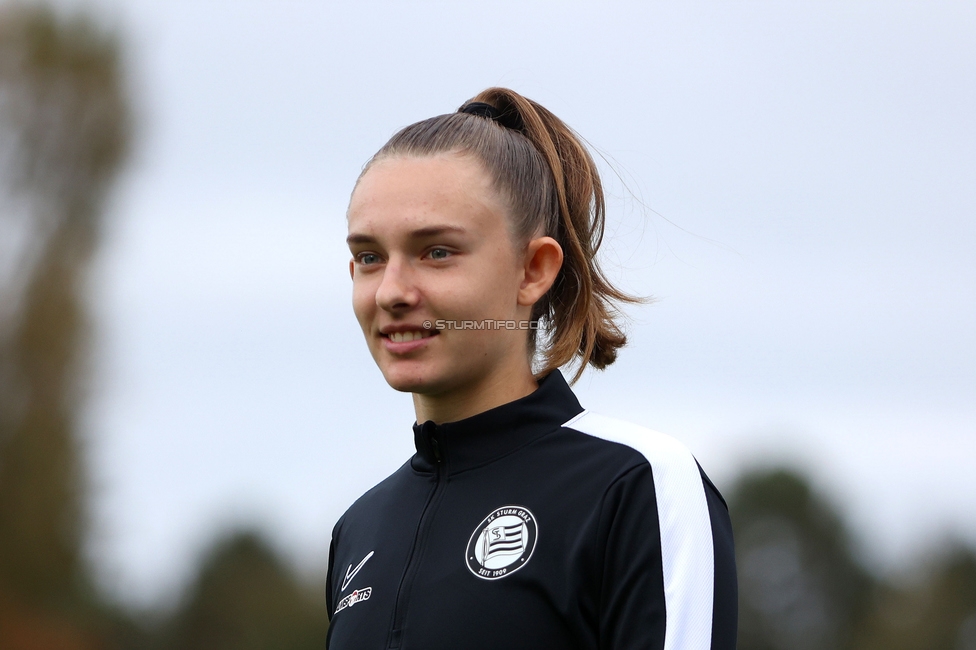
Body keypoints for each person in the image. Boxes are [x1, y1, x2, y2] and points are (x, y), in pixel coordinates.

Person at [326, 87, 737, 650]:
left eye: (437, 251)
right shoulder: (359, 529)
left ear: (534, 270)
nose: (392, 291)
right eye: (371, 257)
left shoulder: (638, 485)